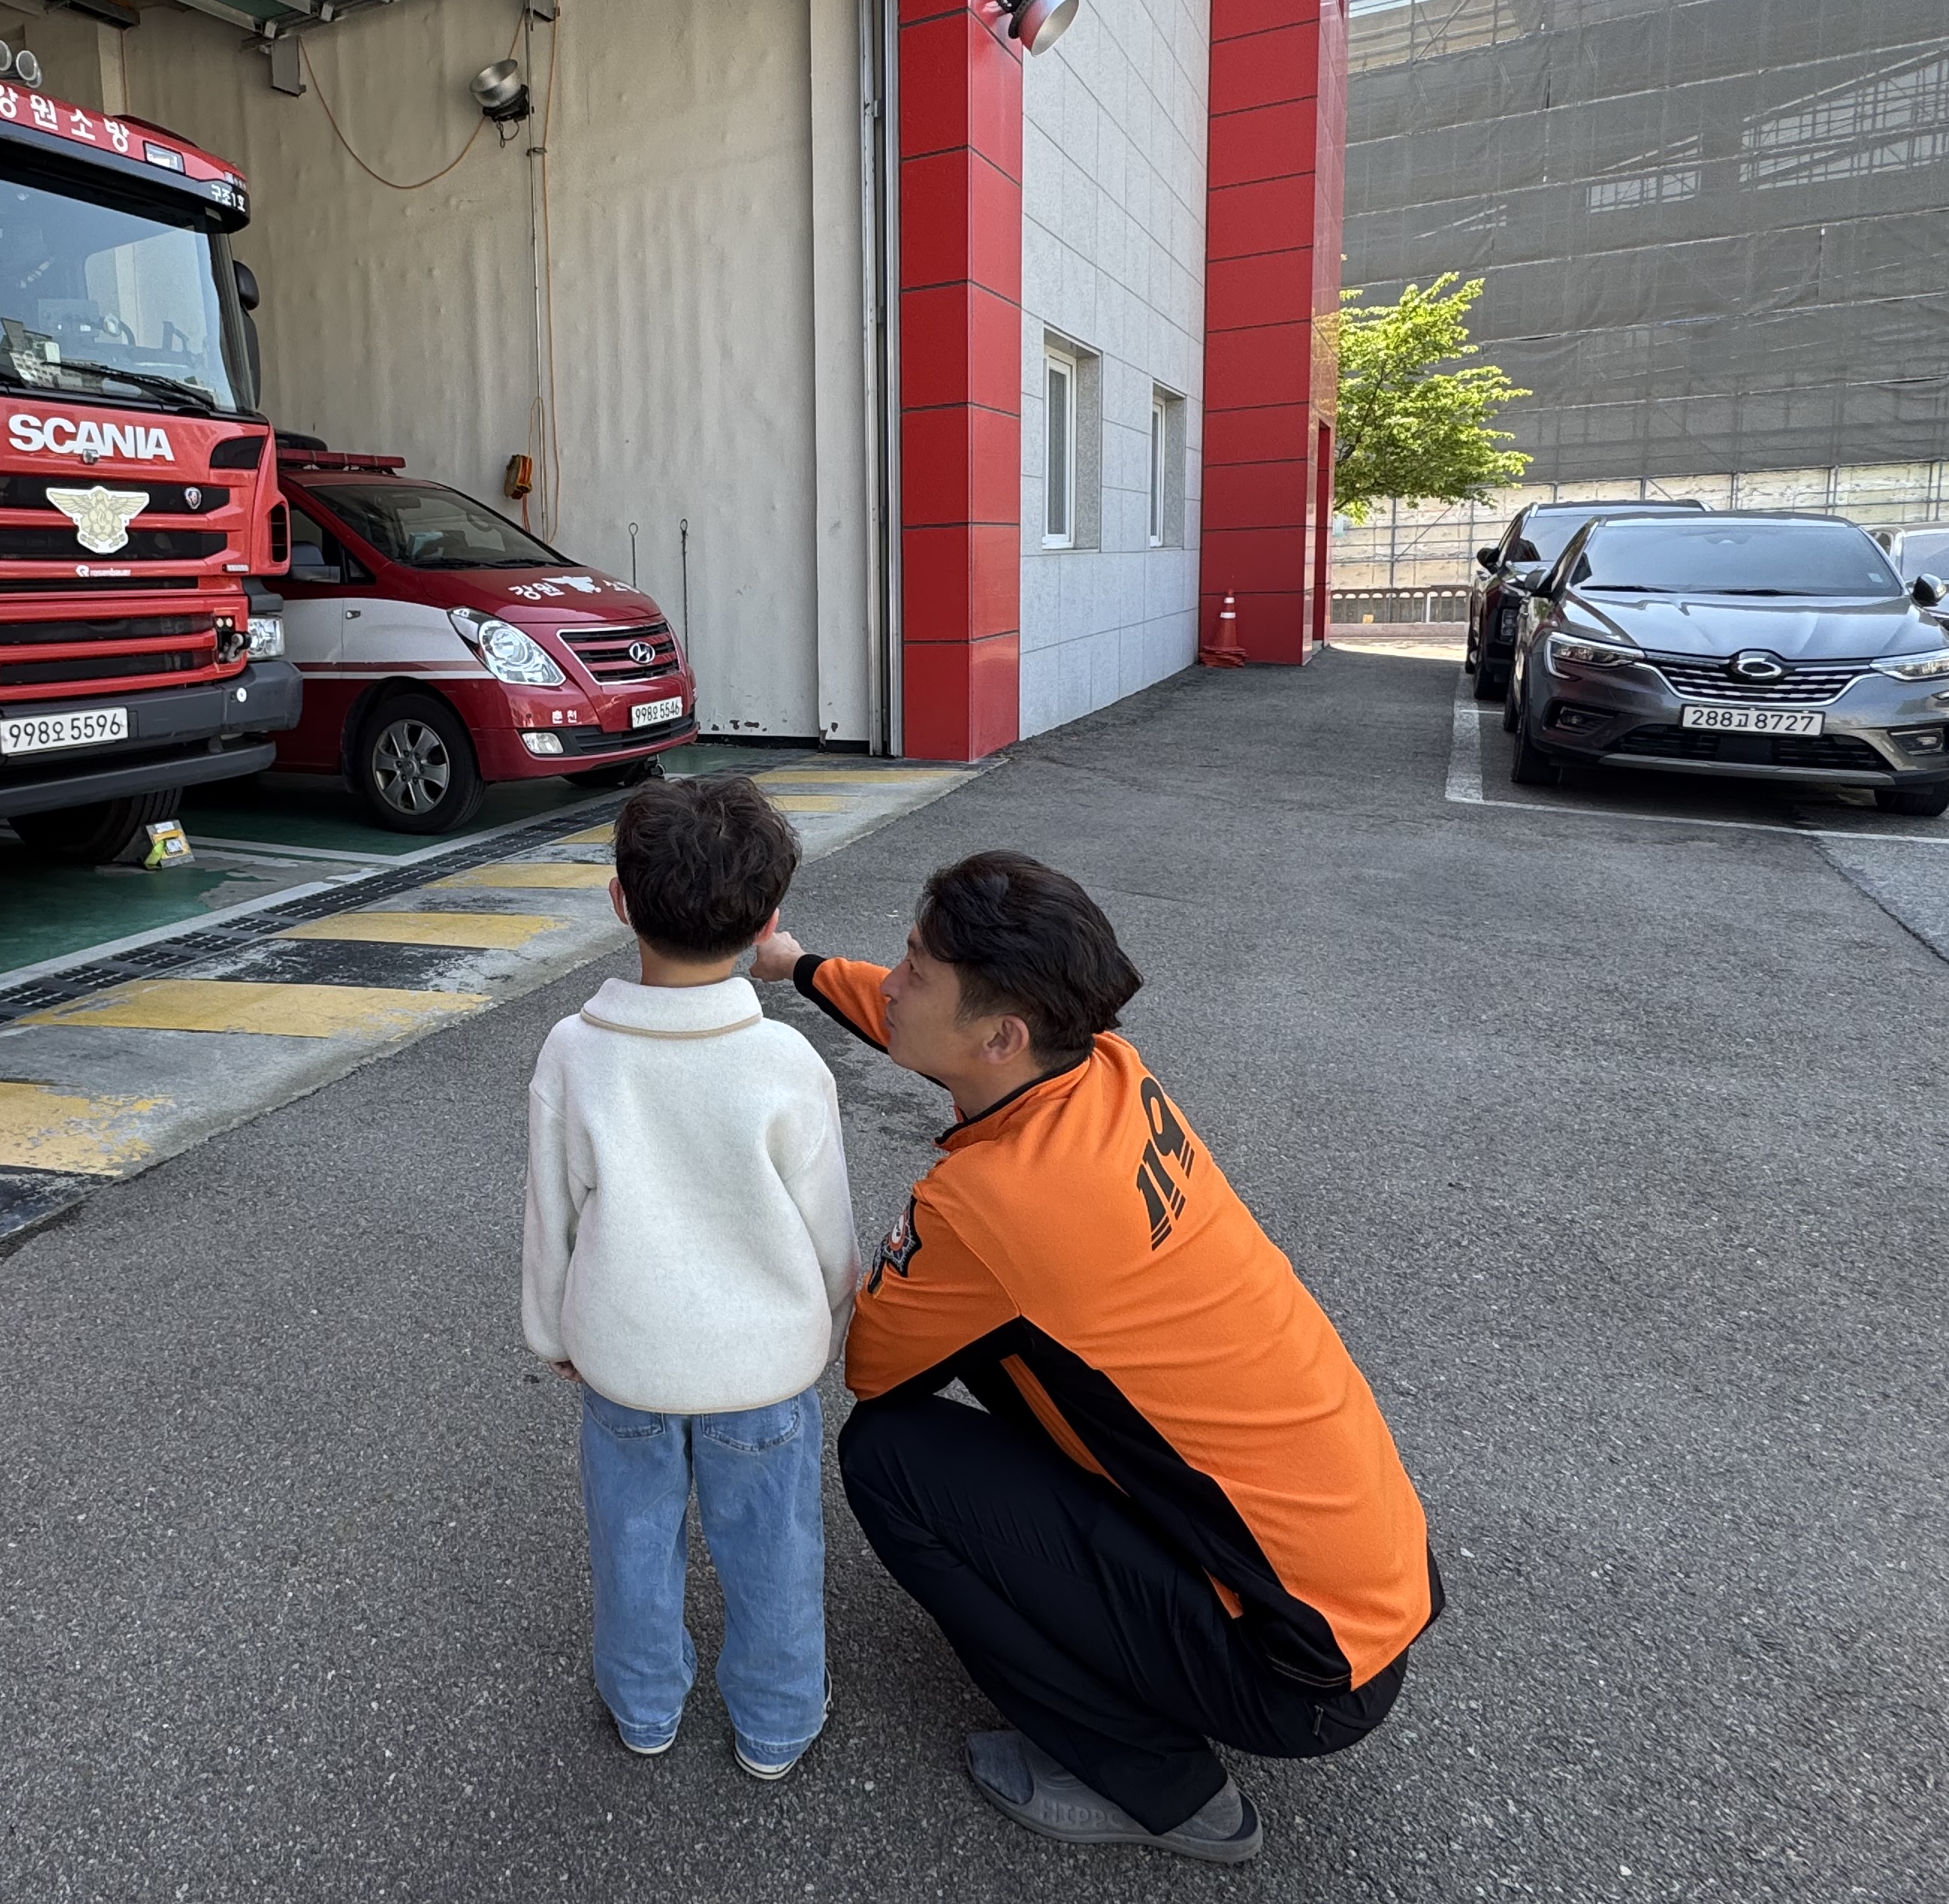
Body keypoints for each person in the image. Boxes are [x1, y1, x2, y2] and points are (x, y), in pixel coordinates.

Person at [751, 851, 1438, 1865]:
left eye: (915, 971)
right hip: (1369, 1585)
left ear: (1002, 1035)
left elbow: (876, 1367)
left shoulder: (999, 1204)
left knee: (889, 1456)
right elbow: (921, 1027)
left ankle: (1158, 1787)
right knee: (1028, 1354)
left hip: (1297, 1671)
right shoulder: (1105, 1070)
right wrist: (798, 966)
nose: (892, 984)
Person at [522, 774, 859, 1778]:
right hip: (764, 1369)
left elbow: (552, 1214)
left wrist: (553, 1332)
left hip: (624, 1357)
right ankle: (777, 1721)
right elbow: (829, 1232)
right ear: (767, 922)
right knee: (774, 1548)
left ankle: (644, 1708)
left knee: (631, 1540)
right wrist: (827, 1323)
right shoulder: (785, 1061)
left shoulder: (575, 1052)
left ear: (620, 901)